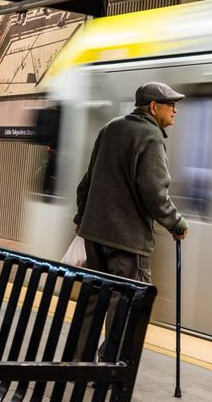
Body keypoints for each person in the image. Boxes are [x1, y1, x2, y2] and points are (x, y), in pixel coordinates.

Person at [73, 82, 189, 358]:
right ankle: (111, 367)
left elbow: (86, 183)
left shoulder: (110, 128)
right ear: (153, 107)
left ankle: (78, 361)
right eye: (170, 104)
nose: (175, 110)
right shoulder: (150, 136)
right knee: (124, 304)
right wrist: (176, 223)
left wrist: (82, 217)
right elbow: (154, 191)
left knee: (93, 300)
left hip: (94, 235)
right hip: (128, 241)